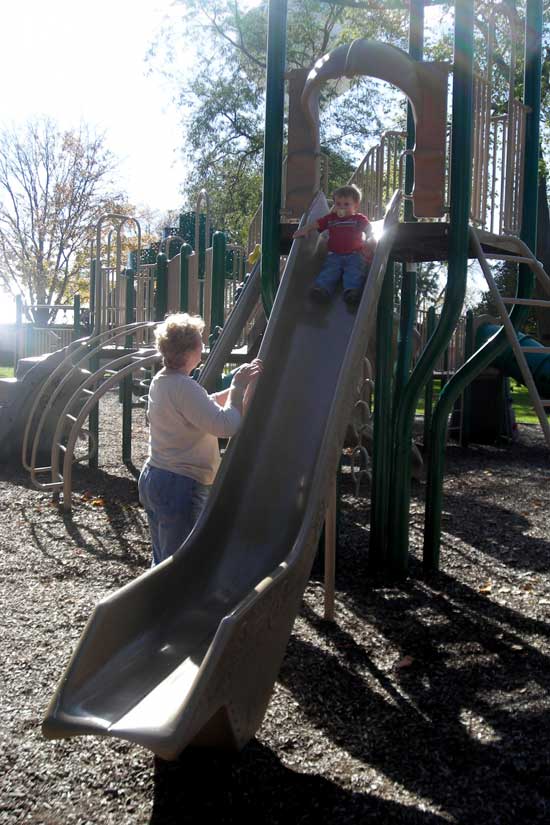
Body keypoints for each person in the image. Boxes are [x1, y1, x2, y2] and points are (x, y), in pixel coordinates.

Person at [138, 312, 262, 566]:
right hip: (179, 484)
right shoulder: (184, 387)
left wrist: (236, 389)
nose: (202, 348)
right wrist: (238, 388)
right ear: (192, 350)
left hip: (157, 477)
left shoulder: (163, 381)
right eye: (200, 343)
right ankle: (167, 605)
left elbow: (201, 405)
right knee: (178, 563)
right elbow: (226, 426)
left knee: (163, 559)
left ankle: (156, 603)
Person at [292, 184, 375, 307]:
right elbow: (318, 224)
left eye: (346, 204)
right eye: (338, 204)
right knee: (329, 271)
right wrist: (306, 228)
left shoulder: (358, 219)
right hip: (334, 255)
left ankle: (352, 292)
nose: (342, 207)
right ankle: (322, 290)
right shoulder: (331, 218)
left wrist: (370, 239)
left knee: (354, 271)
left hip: (354, 254)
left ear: (355, 205)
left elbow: (369, 229)